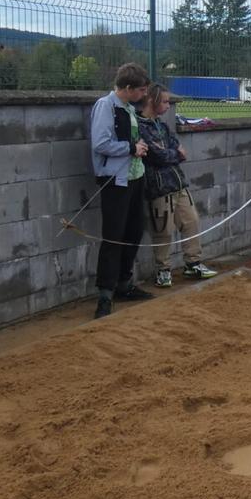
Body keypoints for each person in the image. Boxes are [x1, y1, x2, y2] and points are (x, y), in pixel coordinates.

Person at [90, 63, 154, 319]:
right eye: (141, 90)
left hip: (135, 176)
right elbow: (101, 143)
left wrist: (139, 146)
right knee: (113, 237)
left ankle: (124, 284)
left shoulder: (129, 108)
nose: (144, 94)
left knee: (134, 231)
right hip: (115, 180)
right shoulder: (106, 106)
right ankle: (105, 293)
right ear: (127, 88)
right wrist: (131, 148)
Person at [138, 83, 218, 288]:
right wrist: (172, 154)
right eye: (164, 101)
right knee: (163, 229)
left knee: (191, 221)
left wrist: (170, 154)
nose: (167, 105)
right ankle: (162, 270)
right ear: (151, 101)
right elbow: (157, 156)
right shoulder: (140, 125)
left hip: (178, 183)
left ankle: (193, 263)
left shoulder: (162, 126)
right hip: (158, 186)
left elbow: (176, 149)